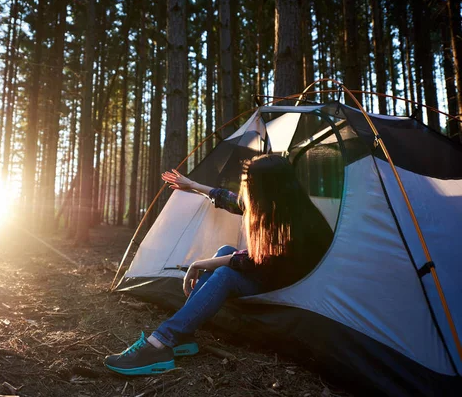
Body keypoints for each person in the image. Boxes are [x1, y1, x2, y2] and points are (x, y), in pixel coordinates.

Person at [104, 155, 334, 375]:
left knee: (225, 273)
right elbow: (229, 199)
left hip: (288, 288)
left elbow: (256, 259)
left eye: (251, 183)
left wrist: (199, 264)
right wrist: (191, 185)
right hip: (272, 273)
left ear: (267, 186)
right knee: (225, 253)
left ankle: (160, 343)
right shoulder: (278, 202)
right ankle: (183, 335)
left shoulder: (296, 222)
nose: (246, 188)